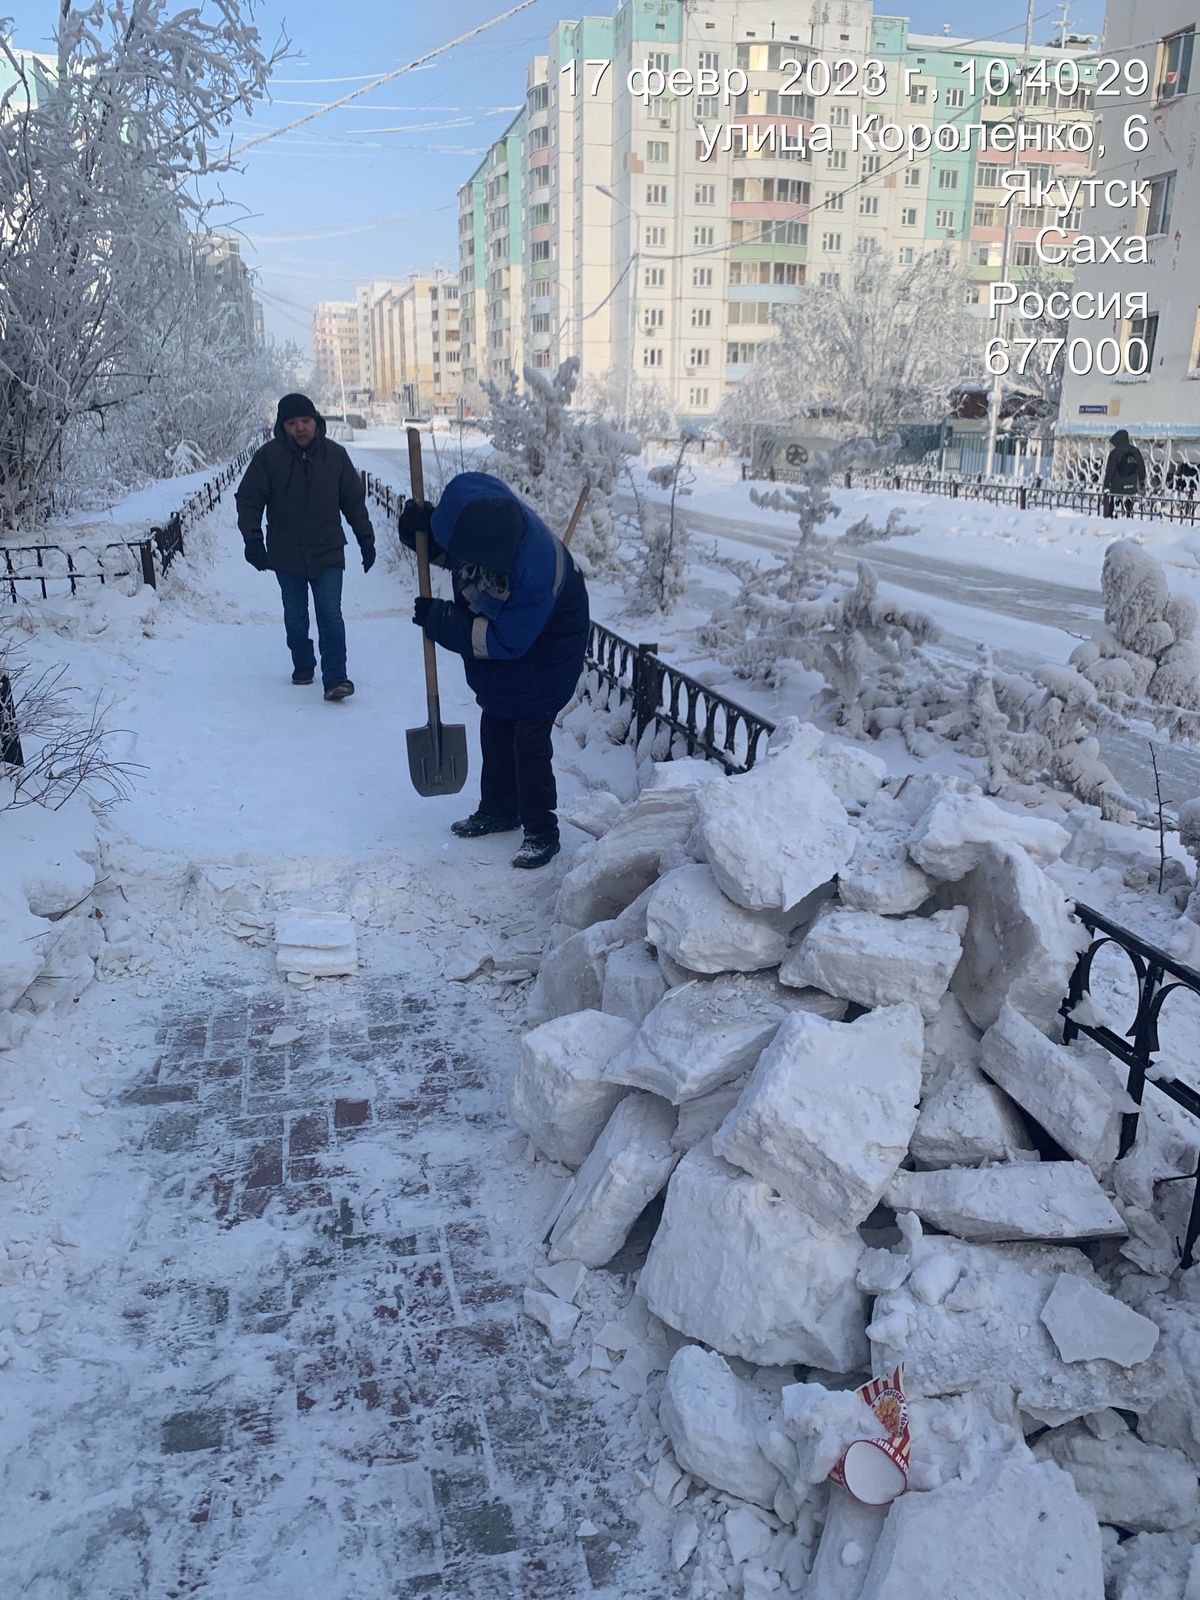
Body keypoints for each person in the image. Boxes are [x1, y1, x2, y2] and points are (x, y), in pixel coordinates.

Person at [399, 472, 589, 870]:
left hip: (548, 645)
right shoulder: (478, 517)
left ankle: (541, 830)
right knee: (497, 723)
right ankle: (500, 810)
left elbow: (505, 641)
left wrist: (446, 621)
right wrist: (426, 535)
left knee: (528, 739)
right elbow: (458, 554)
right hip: (512, 628)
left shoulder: (535, 570)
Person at [235, 393, 376, 700]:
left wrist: (366, 539)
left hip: (327, 551)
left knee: (329, 613)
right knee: (296, 615)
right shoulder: (268, 458)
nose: (300, 428)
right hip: (286, 554)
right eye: (292, 423)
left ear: (316, 422)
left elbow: (353, 501)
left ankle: (336, 676)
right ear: (282, 426)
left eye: (306, 421)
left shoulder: (335, 456)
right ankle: (303, 663)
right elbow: (249, 499)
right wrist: (253, 541)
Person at [1102, 428, 1147, 518]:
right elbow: (1141, 467)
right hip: (1132, 487)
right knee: (1129, 508)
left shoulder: (1114, 453)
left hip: (1117, 488)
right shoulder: (1135, 451)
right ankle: (1129, 517)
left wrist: (1106, 485)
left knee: (1114, 510)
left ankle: (1114, 517)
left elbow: (1109, 471)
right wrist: (1142, 481)